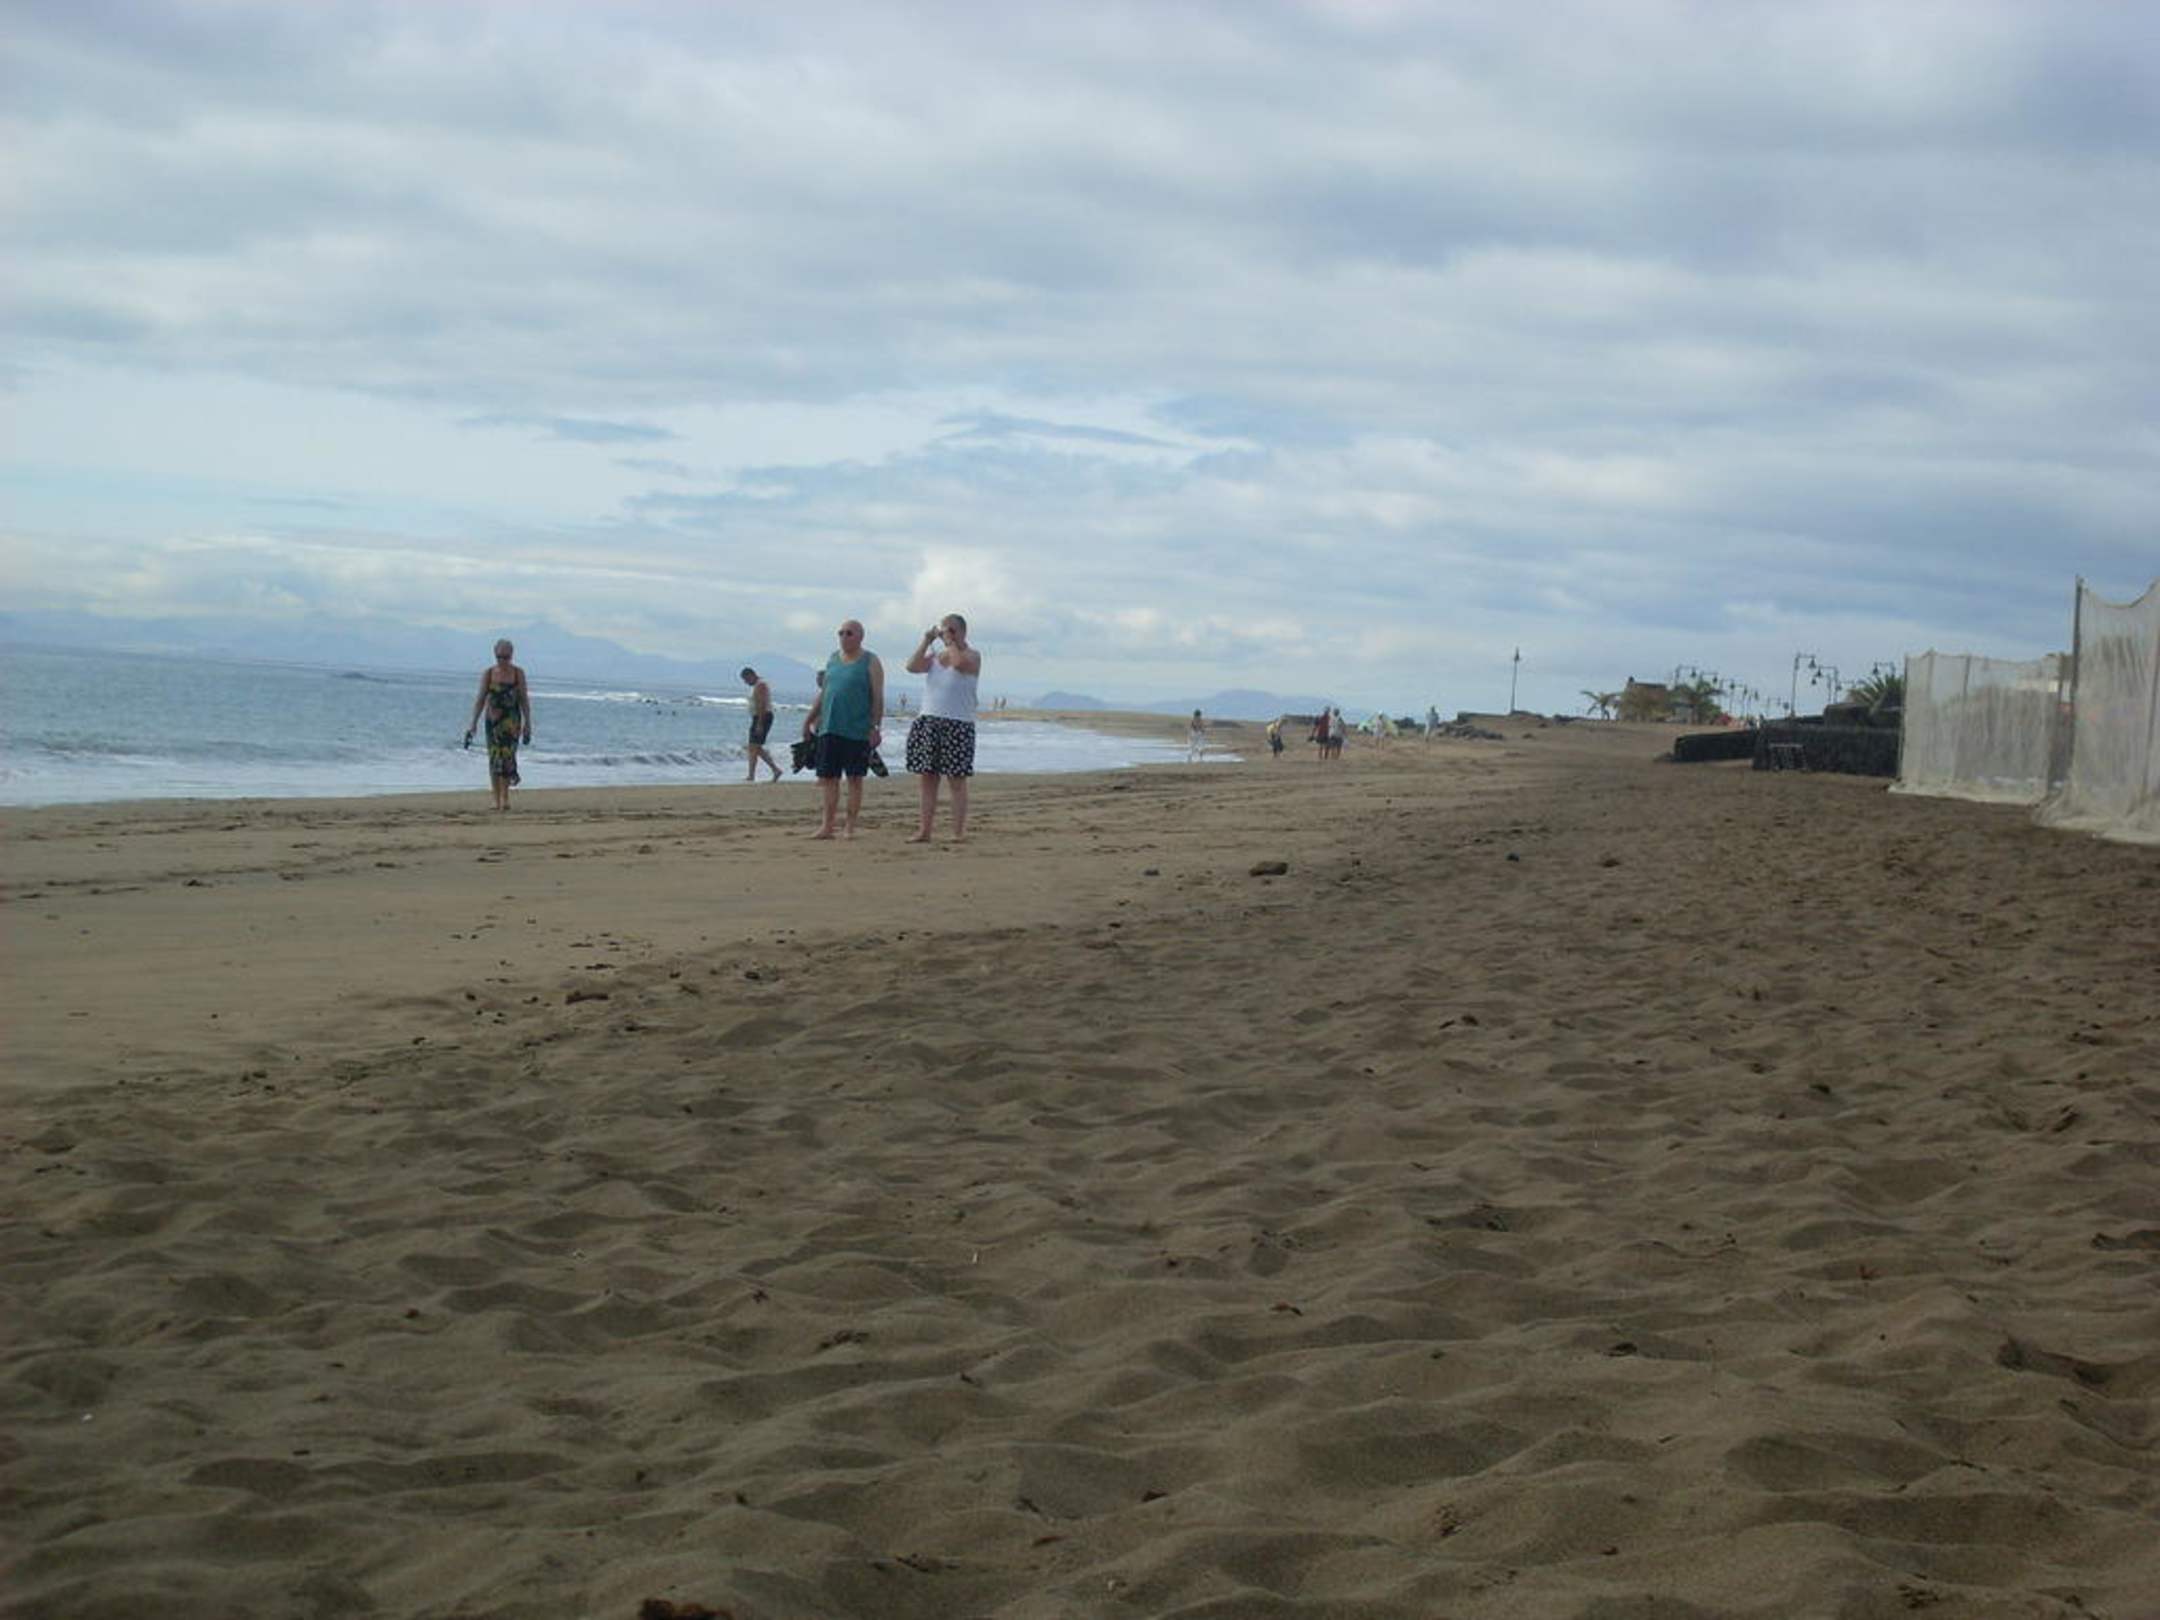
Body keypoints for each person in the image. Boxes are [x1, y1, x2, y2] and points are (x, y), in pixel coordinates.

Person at [801, 619, 883, 839]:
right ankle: (827, 826)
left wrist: (875, 727)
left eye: (849, 633)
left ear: (860, 637)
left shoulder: (870, 661)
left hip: (857, 729)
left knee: (855, 779)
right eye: (841, 633)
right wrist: (809, 719)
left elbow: (877, 696)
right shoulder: (833, 659)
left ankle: (850, 826)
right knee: (829, 778)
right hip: (829, 727)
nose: (844, 637)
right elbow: (825, 692)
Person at [904, 613, 981, 843]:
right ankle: (925, 830)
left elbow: (958, 664)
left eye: (953, 630)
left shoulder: (972, 656)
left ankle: (958, 832)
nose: (948, 634)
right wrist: (926, 641)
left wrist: (950, 642)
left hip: (958, 723)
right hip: (929, 720)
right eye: (945, 630)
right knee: (927, 779)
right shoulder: (936, 657)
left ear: (963, 632)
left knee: (956, 780)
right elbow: (911, 666)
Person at [463, 639, 531, 812]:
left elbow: (524, 700)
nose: (502, 660)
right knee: (494, 758)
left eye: (506, 657)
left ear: (511, 656)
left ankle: (505, 797)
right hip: (492, 722)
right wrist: (473, 723)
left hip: (511, 723)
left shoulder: (518, 674)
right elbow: (480, 699)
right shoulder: (489, 674)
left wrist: (528, 723)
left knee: (507, 758)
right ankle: (495, 798)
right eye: (499, 657)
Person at [740, 666, 782, 782]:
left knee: (753, 746)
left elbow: (762, 705)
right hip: (759, 717)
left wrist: (759, 723)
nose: (746, 682)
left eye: (746, 680)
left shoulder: (760, 685)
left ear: (751, 675)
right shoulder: (758, 685)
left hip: (762, 717)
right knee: (755, 747)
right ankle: (775, 770)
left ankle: (752, 775)